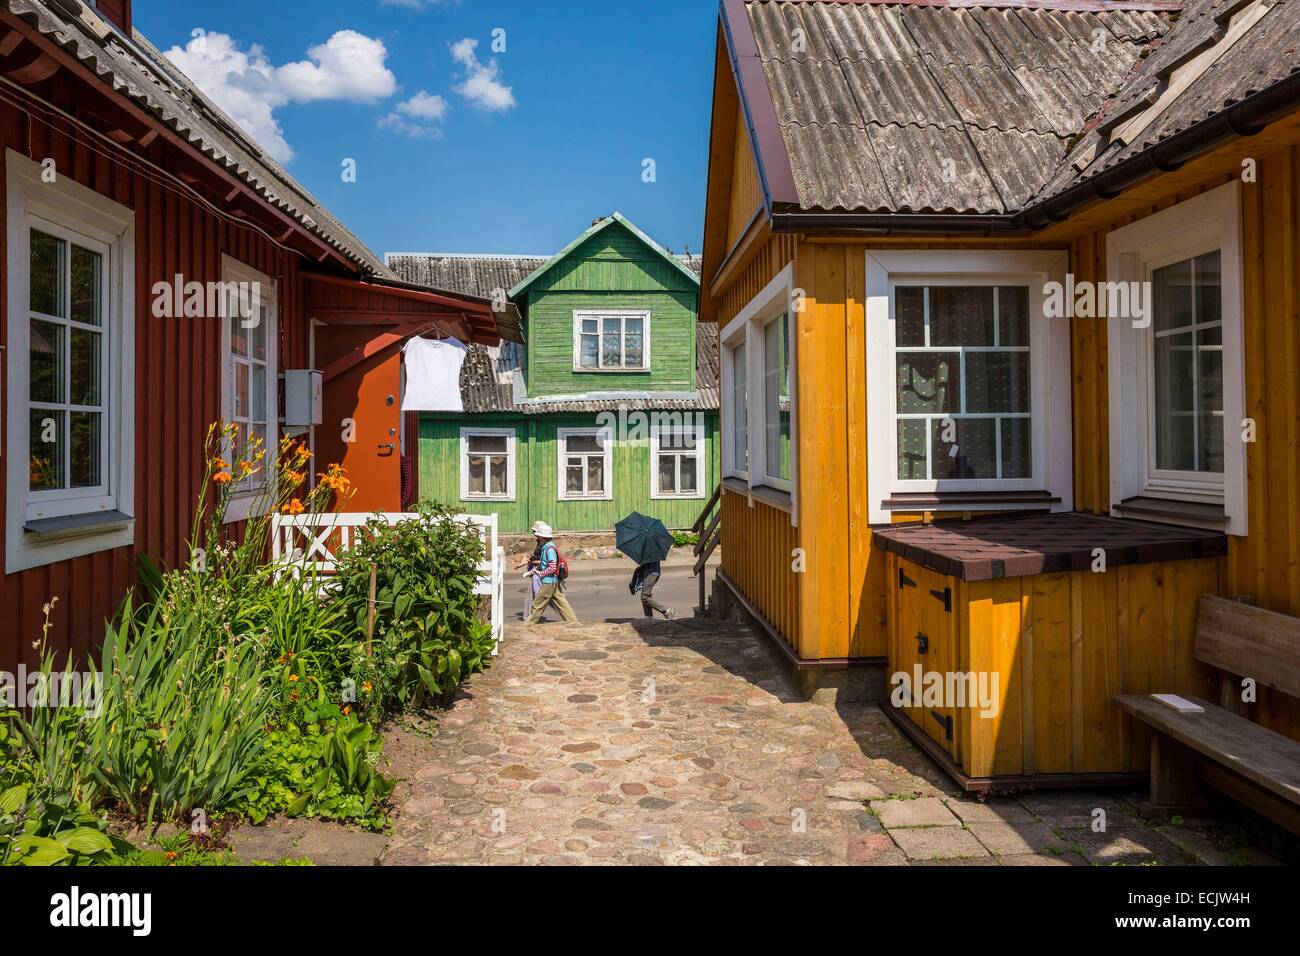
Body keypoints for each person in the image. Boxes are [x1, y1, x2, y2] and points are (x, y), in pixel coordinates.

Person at [523, 522, 577, 623]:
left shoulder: (549, 549)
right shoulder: (547, 547)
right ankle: (574, 623)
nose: (536, 536)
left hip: (548, 582)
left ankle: (527, 625)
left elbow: (552, 567)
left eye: (538, 534)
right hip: (553, 582)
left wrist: (540, 574)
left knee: (537, 605)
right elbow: (543, 565)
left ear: (542, 537)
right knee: (562, 605)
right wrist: (532, 572)